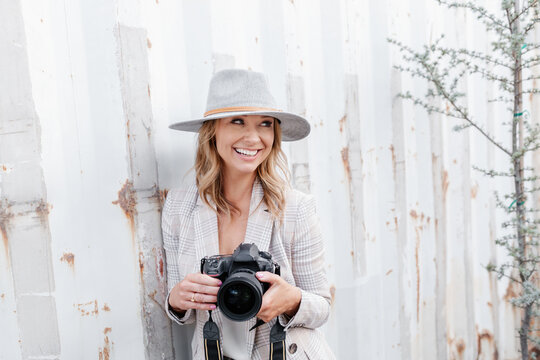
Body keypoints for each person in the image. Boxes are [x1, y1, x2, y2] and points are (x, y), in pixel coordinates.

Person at [162, 69, 335, 360]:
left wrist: (291, 299)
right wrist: (177, 299)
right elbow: (180, 309)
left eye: (265, 124)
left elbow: (322, 307)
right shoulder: (178, 207)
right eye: (238, 121)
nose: (253, 137)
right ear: (213, 130)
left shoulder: (295, 208)